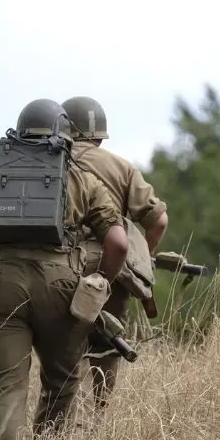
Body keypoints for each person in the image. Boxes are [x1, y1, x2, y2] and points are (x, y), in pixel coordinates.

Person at [0, 98, 130, 440]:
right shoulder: (83, 178)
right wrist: (101, 282)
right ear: (64, 136)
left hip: (0, 290)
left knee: (7, 385)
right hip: (61, 290)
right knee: (63, 379)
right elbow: (118, 243)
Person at [61, 95, 169, 407]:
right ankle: (98, 421)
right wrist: (137, 258)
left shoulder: (54, 162)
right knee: (108, 345)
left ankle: (63, 421)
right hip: (110, 263)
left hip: (59, 266)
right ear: (99, 134)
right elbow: (158, 221)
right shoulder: (122, 168)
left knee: (65, 344)